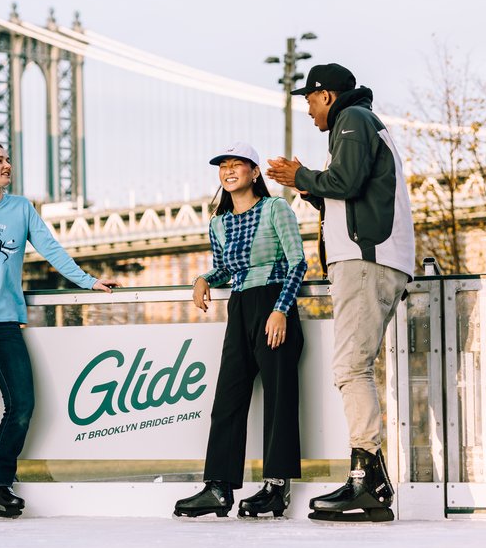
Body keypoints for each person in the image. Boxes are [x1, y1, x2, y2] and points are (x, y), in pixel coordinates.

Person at [0, 142, 119, 517]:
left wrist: (87, 281)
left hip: (3, 323)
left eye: (9, 159)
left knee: (21, 405)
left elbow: (50, 248)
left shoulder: (21, 209)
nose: (8, 165)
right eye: (0, 160)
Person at [266, 63, 415, 522]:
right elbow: (347, 194)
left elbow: (345, 183)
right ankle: (372, 480)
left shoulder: (353, 121)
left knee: (351, 367)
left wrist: (302, 176)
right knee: (355, 365)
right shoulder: (360, 124)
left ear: (327, 95)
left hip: (365, 260)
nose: (308, 110)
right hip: (373, 259)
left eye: (309, 100)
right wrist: (307, 185)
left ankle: (365, 480)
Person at [173, 142, 307, 519]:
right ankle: (218, 488)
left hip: (273, 305)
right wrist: (202, 278)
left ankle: (276, 488)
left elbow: (298, 264)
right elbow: (224, 268)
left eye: (237, 165)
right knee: (227, 400)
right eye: (223, 166)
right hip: (239, 307)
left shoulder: (275, 209)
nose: (229, 171)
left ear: (253, 172)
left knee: (280, 400)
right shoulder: (219, 222)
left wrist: (281, 311)